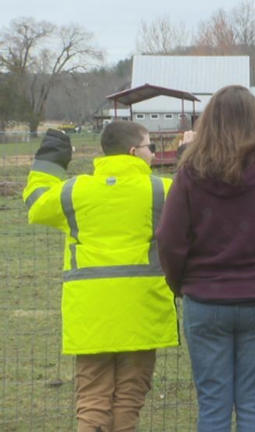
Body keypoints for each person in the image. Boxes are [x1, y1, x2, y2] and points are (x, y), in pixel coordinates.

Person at [155, 85, 255, 431]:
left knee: (213, 406)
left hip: (206, 299)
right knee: (254, 404)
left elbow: (169, 239)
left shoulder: (189, 174)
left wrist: (179, 283)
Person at [22, 122, 179, 432]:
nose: (154, 154)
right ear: (134, 152)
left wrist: (51, 158)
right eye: (151, 147)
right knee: (129, 399)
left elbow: (36, 202)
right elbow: (198, 201)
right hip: (141, 312)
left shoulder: (73, 191)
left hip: (90, 315)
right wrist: (189, 154)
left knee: (92, 402)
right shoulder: (161, 190)